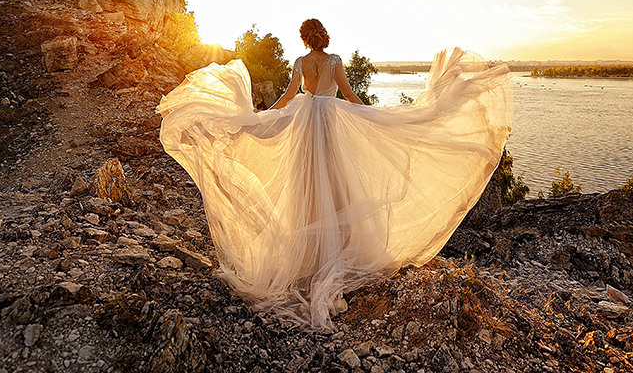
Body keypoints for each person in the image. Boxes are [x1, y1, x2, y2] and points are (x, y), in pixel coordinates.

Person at [157, 19, 511, 329]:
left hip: (305, 123)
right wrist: (377, 115)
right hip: (330, 121)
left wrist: (256, 115)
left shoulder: (299, 62)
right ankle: (339, 249)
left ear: (304, 39)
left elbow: (286, 97)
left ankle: (308, 256)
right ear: (323, 37)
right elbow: (348, 94)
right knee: (336, 183)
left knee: (306, 186)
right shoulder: (336, 61)